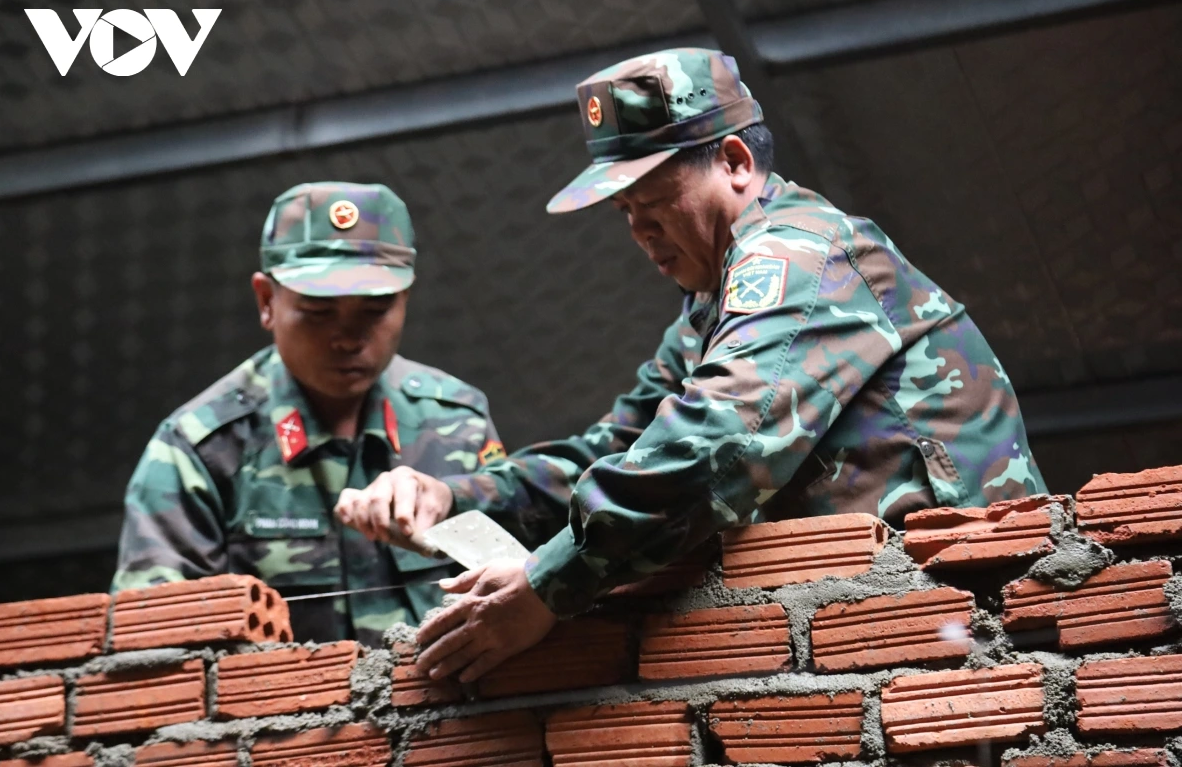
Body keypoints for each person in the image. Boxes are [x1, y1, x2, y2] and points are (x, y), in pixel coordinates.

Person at [337, 48, 1048, 678]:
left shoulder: (800, 255)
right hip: (878, 637)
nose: (641, 230)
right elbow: (616, 449)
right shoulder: (709, 307)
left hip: (975, 621)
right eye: (624, 211)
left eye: (654, 200)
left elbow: (713, 443)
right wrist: (457, 498)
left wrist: (546, 586)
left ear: (736, 164)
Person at [111, 182, 507, 647]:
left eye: (376, 311)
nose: (348, 338)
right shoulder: (200, 448)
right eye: (319, 313)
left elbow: (518, 587)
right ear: (266, 302)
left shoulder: (456, 423)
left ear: (406, 299)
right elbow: (156, 645)